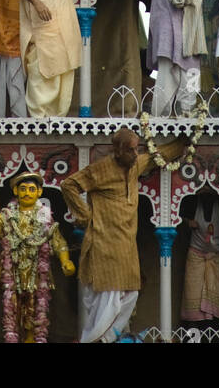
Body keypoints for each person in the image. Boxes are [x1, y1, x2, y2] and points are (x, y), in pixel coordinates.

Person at [61, 126, 183, 343]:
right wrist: (83, 215)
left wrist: (185, 141)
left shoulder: (135, 166)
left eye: (137, 150)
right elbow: (69, 184)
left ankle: (104, 339)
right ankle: (95, 340)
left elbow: (157, 157)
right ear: (117, 151)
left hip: (126, 247)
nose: (136, 154)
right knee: (108, 300)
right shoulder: (101, 170)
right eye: (131, 150)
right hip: (104, 244)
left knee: (130, 294)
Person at [0, 169, 75, 343]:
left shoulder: (45, 217)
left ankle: (31, 338)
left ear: (39, 192)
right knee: (13, 306)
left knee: (35, 305)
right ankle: (13, 337)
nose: (27, 193)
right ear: (15, 191)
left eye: (31, 189)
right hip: (12, 268)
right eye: (23, 189)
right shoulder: (8, 215)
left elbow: (58, 241)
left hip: (36, 268)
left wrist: (66, 260)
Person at [181, 188, 219, 330]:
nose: (206, 199)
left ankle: (218, 331)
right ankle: (196, 332)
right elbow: (179, 215)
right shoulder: (192, 204)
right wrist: (187, 222)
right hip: (196, 257)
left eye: (209, 195)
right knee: (194, 294)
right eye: (203, 196)